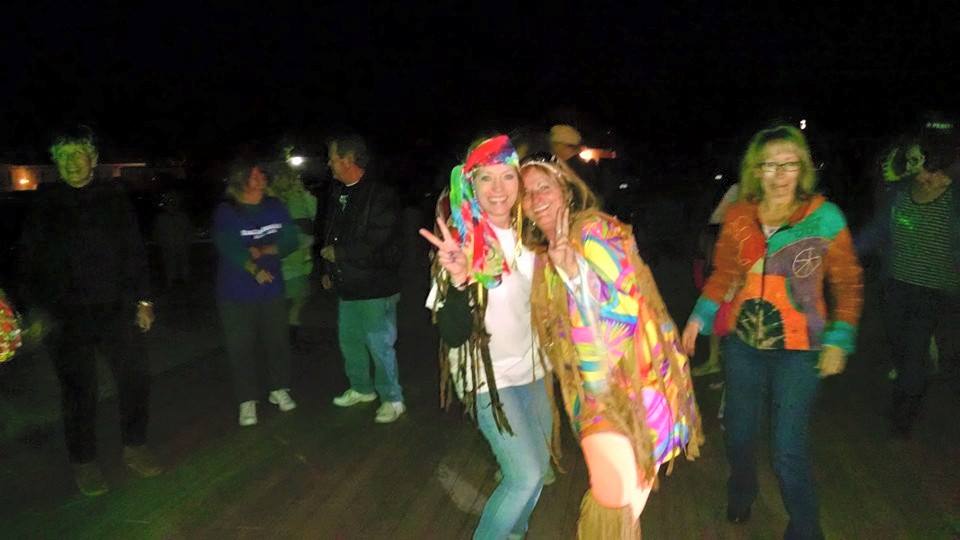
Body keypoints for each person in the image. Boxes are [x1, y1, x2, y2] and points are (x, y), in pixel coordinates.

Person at [681, 125, 863, 540]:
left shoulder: (825, 217)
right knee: (739, 434)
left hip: (800, 349)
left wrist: (839, 338)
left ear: (803, 168)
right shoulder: (739, 215)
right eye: (769, 165)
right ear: (755, 170)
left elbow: (848, 281)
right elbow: (724, 273)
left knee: (787, 450)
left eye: (789, 164)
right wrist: (699, 317)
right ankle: (742, 490)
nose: (779, 175)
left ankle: (806, 529)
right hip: (743, 345)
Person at [519, 153, 702, 538]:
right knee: (621, 506)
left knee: (614, 502)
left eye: (544, 187)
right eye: (527, 193)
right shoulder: (541, 256)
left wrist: (575, 274)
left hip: (632, 390)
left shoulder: (594, 231)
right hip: (594, 397)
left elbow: (624, 305)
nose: (535, 199)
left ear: (566, 190)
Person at [419, 135, 555, 540]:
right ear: (470, 185)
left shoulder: (532, 235)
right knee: (524, 476)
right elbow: (453, 334)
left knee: (539, 469)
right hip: (488, 380)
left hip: (534, 371)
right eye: (486, 178)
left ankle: (513, 533)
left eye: (507, 176)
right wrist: (460, 282)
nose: (498, 189)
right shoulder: (459, 244)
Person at [17, 129, 163, 496]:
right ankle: (84, 462)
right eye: (63, 156)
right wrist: (33, 311)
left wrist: (144, 300)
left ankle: (135, 446)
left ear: (93, 159)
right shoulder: (44, 204)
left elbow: (134, 250)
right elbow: (28, 262)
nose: (72, 162)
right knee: (79, 391)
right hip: (65, 316)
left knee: (135, 378)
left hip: (116, 308)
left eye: (78, 154)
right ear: (56, 163)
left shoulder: (114, 198)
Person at [857, 133, 960, 437]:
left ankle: (903, 415)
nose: (916, 169)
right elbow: (877, 231)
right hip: (895, 286)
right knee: (900, 347)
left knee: (914, 351)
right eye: (912, 162)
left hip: (932, 291)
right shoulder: (901, 193)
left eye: (921, 162)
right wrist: (840, 252)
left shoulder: (954, 198)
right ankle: (909, 385)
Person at [321, 135, 405, 424]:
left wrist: (340, 254)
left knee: (379, 344)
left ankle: (392, 399)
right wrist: (329, 271)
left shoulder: (380, 194)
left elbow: (380, 240)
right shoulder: (339, 193)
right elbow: (332, 234)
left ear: (348, 160)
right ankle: (362, 388)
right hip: (349, 284)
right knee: (350, 341)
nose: (329, 164)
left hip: (375, 286)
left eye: (333, 158)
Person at [214, 161, 300, 427]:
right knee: (241, 346)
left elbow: (291, 240)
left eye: (261, 172)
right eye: (252, 174)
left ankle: (279, 388)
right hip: (235, 292)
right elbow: (229, 246)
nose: (260, 177)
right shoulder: (227, 210)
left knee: (277, 340)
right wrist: (254, 268)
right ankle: (247, 400)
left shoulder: (275, 206)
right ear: (239, 179)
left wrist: (264, 250)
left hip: (271, 288)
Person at [269, 158, 318, 351]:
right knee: (286, 301)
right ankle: (283, 338)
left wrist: (304, 193)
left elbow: (311, 214)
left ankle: (289, 336)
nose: (292, 179)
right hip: (282, 259)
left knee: (299, 299)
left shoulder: (296, 195)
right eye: (288, 176)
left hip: (299, 259)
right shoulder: (271, 198)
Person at [153, 190, 192, 288]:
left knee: (183, 264)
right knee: (169, 265)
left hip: (181, 245)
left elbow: (188, 230)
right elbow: (157, 232)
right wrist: (161, 243)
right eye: (169, 202)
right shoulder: (161, 218)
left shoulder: (182, 216)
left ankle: (184, 282)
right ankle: (171, 283)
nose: (172, 204)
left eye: (174, 202)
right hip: (168, 246)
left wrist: (187, 242)